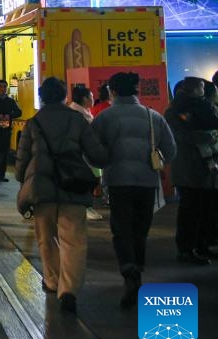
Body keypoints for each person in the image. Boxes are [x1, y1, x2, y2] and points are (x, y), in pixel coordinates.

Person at [15, 77, 109, 314]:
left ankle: (52, 280)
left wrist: (22, 178)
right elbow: (96, 153)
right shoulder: (77, 119)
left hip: (41, 187)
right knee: (74, 240)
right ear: (64, 97)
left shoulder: (33, 123)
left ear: (42, 98)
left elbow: (22, 160)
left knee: (46, 238)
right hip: (73, 185)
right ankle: (69, 290)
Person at [92, 71, 176, 309]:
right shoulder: (153, 117)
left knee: (121, 228)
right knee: (140, 229)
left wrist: (104, 163)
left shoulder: (105, 118)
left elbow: (92, 150)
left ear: (113, 91)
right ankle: (137, 268)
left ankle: (129, 271)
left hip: (118, 181)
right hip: (146, 182)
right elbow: (170, 150)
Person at [164, 77, 218, 265]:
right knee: (190, 210)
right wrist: (208, 136)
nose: (204, 90)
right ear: (192, 89)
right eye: (201, 87)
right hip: (187, 166)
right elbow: (181, 136)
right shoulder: (173, 112)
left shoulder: (202, 107)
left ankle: (201, 245)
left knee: (204, 208)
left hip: (205, 166)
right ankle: (186, 249)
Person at [69, 85, 104, 220]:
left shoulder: (83, 112)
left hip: (87, 154)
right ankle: (85, 208)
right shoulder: (77, 114)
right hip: (83, 155)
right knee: (88, 180)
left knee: (92, 179)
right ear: (84, 99)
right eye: (91, 97)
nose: (93, 99)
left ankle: (87, 207)